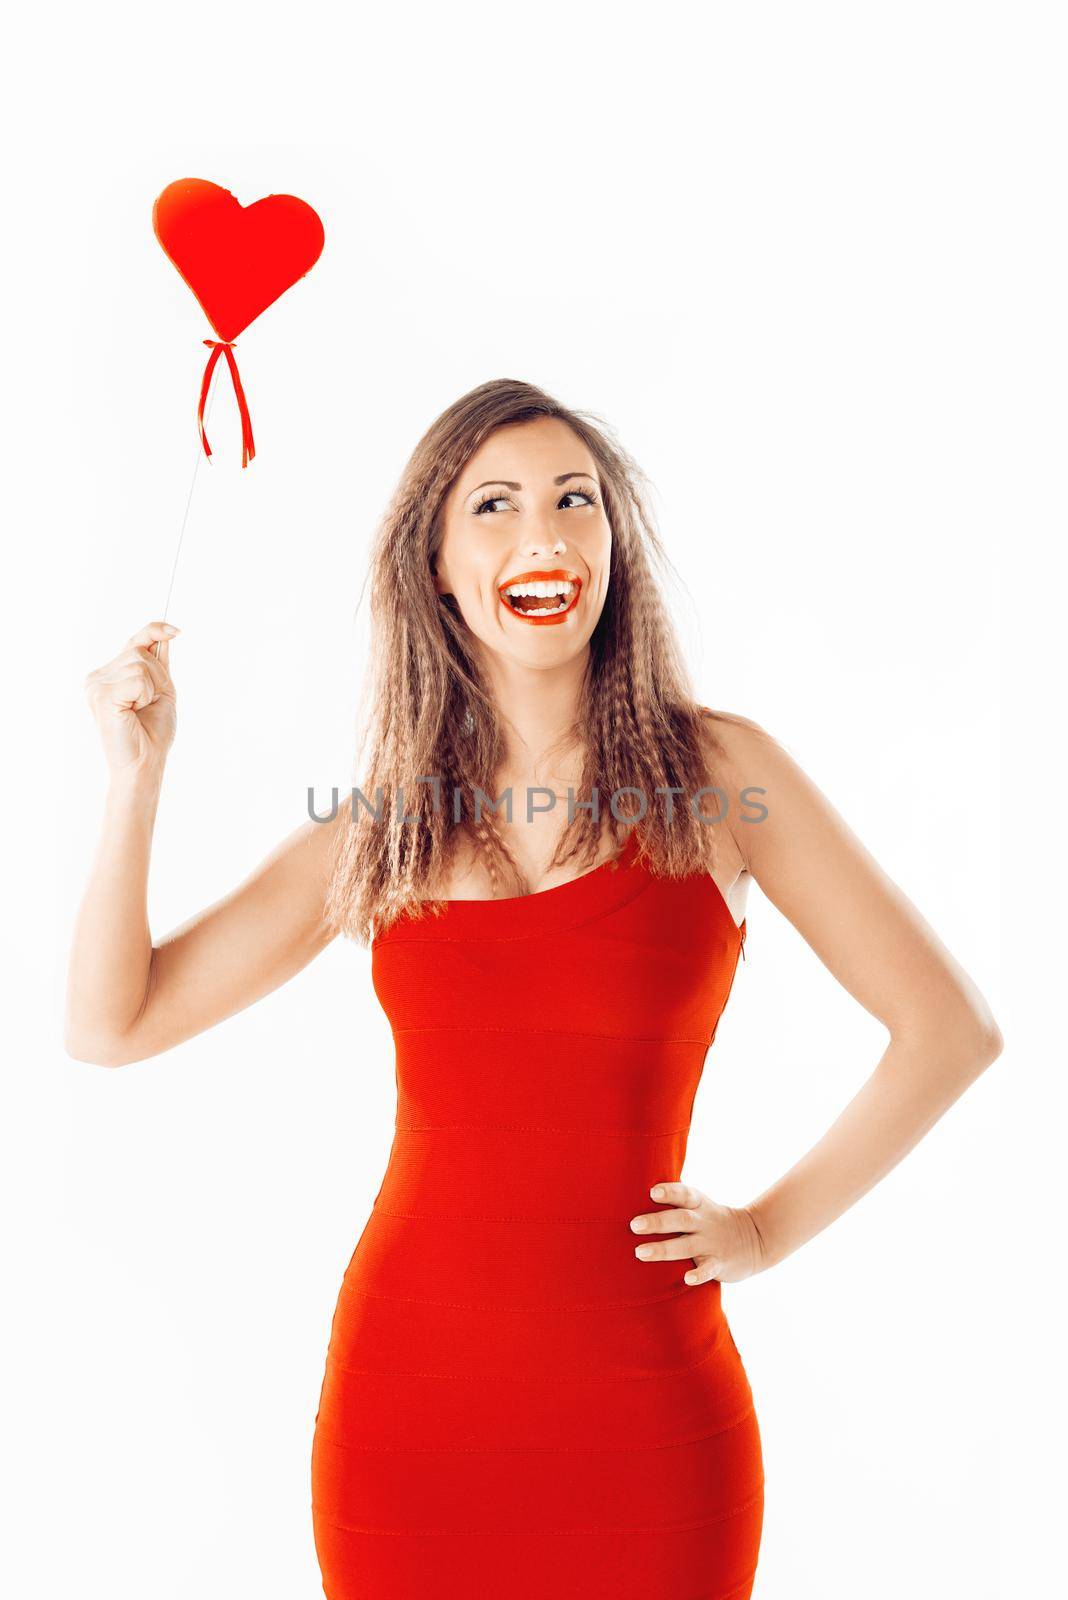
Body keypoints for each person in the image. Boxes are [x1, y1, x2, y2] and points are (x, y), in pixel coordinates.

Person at [66, 378, 1003, 1599]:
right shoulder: (383, 830)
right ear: (440, 569)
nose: (545, 536)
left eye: (576, 502)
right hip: (409, 1416)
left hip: (653, 1422)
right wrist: (136, 781)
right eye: (495, 507)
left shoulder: (722, 777)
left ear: (614, 544)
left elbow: (949, 1031)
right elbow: (109, 1022)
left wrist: (765, 1229)